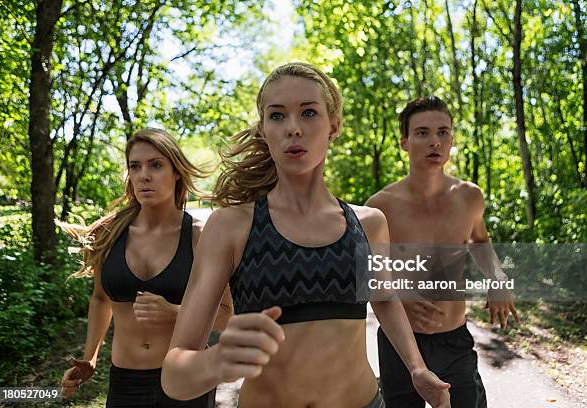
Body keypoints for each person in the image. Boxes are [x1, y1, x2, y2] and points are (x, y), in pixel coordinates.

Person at [161, 62, 451, 408]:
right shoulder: (231, 227)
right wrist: (216, 360)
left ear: (334, 127)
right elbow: (174, 378)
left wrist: (417, 368)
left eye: (309, 113)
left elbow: (384, 299)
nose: (293, 128)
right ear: (264, 130)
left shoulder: (369, 223)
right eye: (278, 116)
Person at [59, 128, 233, 407]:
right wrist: (90, 357)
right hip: (125, 381)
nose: (144, 175)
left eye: (156, 165)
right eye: (135, 166)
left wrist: (175, 313)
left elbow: (226, 313)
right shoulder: (110, 233)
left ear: (176, 171)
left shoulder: (200, 236)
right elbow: (101, 298)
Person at [366, 96, 520, 408]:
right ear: (404, 142)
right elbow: (367, 275)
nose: (435, 141)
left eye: (443, 132)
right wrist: (400, 295)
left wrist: (497, 277)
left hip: (455, 339)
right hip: (401, 342)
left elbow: (479, 240)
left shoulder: (469, 197)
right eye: (422, 133)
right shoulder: (379, 207)